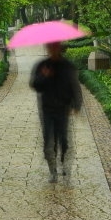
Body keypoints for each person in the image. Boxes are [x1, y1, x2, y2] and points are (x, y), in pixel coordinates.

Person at [29, 42, 82, 182]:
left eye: (55, 46)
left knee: (63, 140)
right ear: (47, 49)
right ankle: (52, 171)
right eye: (50, 47)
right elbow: (35, 85)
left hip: (63, 108)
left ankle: (64, 165)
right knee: (48, 141)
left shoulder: (68, 66)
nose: (52, 50)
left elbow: (75, 85)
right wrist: (44, 76)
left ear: (60, 48)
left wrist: (77, 104)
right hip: (47, 109)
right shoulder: (42, 65)